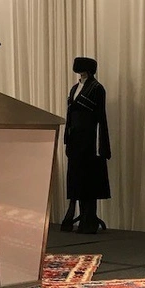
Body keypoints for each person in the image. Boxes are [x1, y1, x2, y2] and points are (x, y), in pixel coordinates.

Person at [60, 56, 111, 233]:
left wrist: (101, 144)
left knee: (88, 178)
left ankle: (89, 218)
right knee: (75, 177)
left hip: (89, 140)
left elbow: (100, 117)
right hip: (75, 139)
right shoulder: (74, 88)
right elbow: (69, 115)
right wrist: (67, 137)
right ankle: (76, 214)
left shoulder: (97, 88)